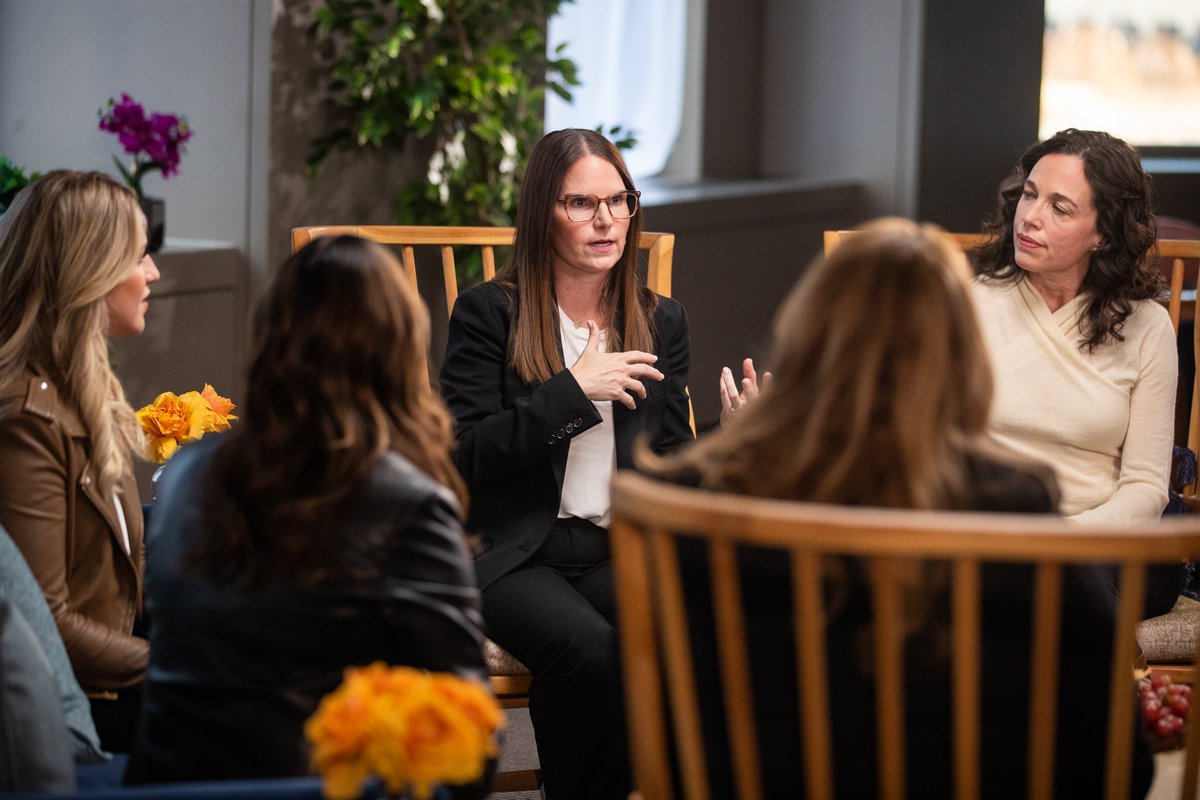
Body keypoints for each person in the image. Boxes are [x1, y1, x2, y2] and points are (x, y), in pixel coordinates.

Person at [639, 218, 1153, 798]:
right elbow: (1118, 759)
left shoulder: (699, 498)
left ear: (807, 334)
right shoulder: (1012, 505)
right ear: (963, 355)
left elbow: (651, 719)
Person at [124, 236, 489, 795]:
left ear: (270, 336)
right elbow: (469, 740)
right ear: (399, 349)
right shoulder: (411, 503)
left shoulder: (185, 473)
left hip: (164, 782)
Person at [438, 128, 694, 800]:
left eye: (619, 201)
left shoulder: (659, 321)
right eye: (581, 204)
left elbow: (668, 463)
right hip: (511, 550)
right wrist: (571, 394)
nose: (606, 220)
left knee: (677, 633)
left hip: (615, 548)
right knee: (589, 651)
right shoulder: (491, 313)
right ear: (540, 213)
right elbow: (462, 457)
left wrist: (739, 434)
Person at [0, 170, 159, 753]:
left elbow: (126, 572)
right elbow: (48, 628)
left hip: (122, 681)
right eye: (139, 257)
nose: (152, 274)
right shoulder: (25, 423)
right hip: (92, 711)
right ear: (88, 272)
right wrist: (179, 665)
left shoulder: (87, 390)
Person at [971, 128, 1176, 528]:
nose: (1029, 218)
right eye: (1029, 194)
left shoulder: (1148, 327)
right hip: (984, 532)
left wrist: (1066, 540)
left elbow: (1146, 487)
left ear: (1103, 234)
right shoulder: (967, 306)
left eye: (1059, 209)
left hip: (1093, 539)